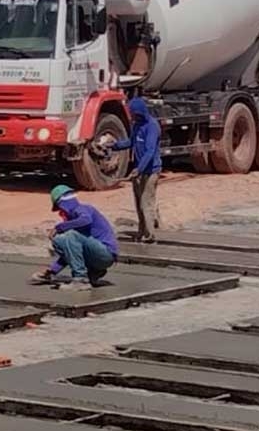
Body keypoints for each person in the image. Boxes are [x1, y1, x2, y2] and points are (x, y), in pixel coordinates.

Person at [29, 185, 119, 290]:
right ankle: (94, 272)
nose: (61, 213)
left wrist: (59, 227)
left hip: (105, 254)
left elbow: (86, 220)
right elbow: (71, 251)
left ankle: (81, 280)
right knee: (63, 241)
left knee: (68, 236)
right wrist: (52, 270)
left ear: (63, 204)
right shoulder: (74, 223)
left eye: (60, 209)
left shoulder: (83, 209)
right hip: (98, 257)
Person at [105, 92, 162, 242]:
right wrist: (115, 146)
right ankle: (141, 231)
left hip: (150, 171)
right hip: (139, 170)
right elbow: (131, 142)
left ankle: (150, 235)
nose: (132, 116)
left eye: (133, 114)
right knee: (138, 204)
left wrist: (139, 169)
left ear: (140, 112)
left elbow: (150, 151)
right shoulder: (137, 125)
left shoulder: (152, 126)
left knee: (146, 202)